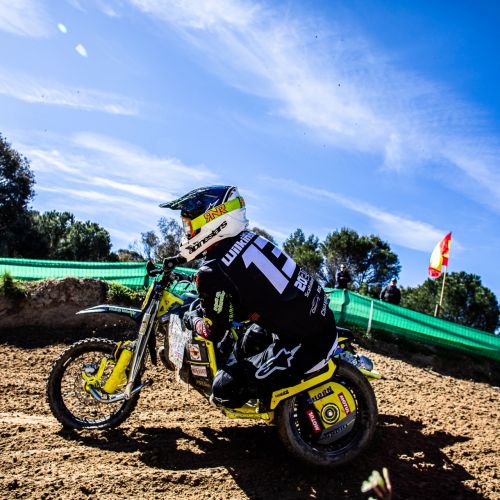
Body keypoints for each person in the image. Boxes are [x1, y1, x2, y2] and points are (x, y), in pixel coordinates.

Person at [161, 185, 338, 408]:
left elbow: (214, 332)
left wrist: (190, 318)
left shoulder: (212, 271)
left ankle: (281, 407)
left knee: (224, 391)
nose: (187, 232)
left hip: (309, 342)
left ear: (212, 221)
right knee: (241, 348)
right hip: (309, 318)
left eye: (189, 225)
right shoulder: (250, 239)